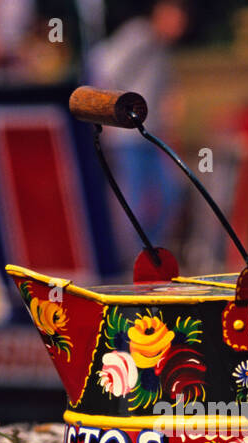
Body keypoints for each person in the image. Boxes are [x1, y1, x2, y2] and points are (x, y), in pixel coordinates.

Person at [86, 1, 188, 261]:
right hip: (126, 137)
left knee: (170, 192)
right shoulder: (139, 36)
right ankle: (133, 257)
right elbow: (102, 66)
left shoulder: (162, 49)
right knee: (134, 200)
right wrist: (107, 112)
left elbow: (163, 96)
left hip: (151, 135)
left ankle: (151, 250)